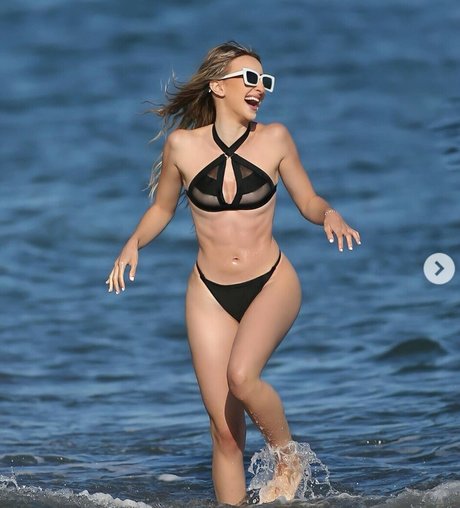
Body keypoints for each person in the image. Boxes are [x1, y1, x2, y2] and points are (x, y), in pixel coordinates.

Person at [106, 41, 360, 505]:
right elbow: (162, 209)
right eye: (250, 79)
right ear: (218, 86)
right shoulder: (182, 146)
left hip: (272, 282)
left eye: (265, 81)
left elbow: (307, 199)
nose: (260, 88)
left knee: (242, 377)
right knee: (224, 431)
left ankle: (286, 456)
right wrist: (132, 243)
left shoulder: (276, 138)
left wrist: (329, 214)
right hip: (208, 293)